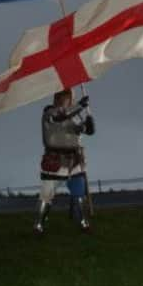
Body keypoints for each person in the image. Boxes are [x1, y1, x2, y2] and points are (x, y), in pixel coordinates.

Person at [33, 88, 95, 234]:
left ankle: (83, 222)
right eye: (68, 98)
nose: (70, 101)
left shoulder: (70, 119)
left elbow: (81, 130)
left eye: (70, 98)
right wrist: (81, 106)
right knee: (46, 196)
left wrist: (89, 124)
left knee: (79, 194)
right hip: (54, 162)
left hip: (73, 162)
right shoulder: (49, 115)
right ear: (58, 99)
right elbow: (61, 116)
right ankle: (38, 224)